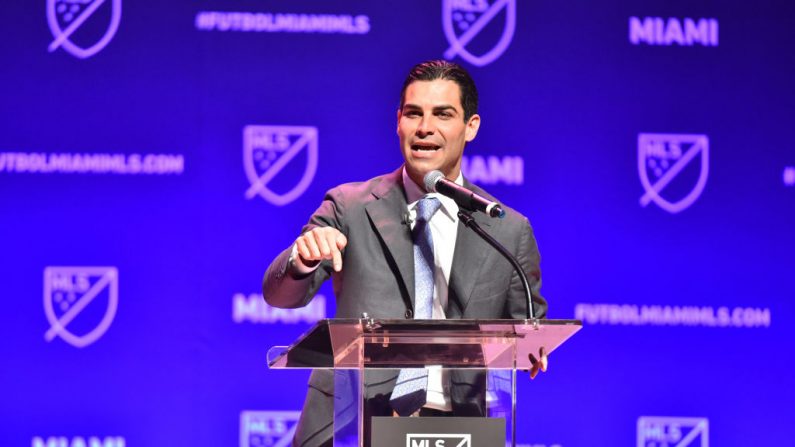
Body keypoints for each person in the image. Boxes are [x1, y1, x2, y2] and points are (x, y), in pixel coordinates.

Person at [263, 60, 547, 447]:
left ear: (471, 127)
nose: (424, 127)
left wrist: (534, 346)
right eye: (414, 113)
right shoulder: (350, 206)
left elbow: (529, 329)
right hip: (353, 422)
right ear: (398, 121)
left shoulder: (507, 229)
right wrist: (302, 259)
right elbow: (280, 294)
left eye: (443, 114)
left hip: (461, 429)